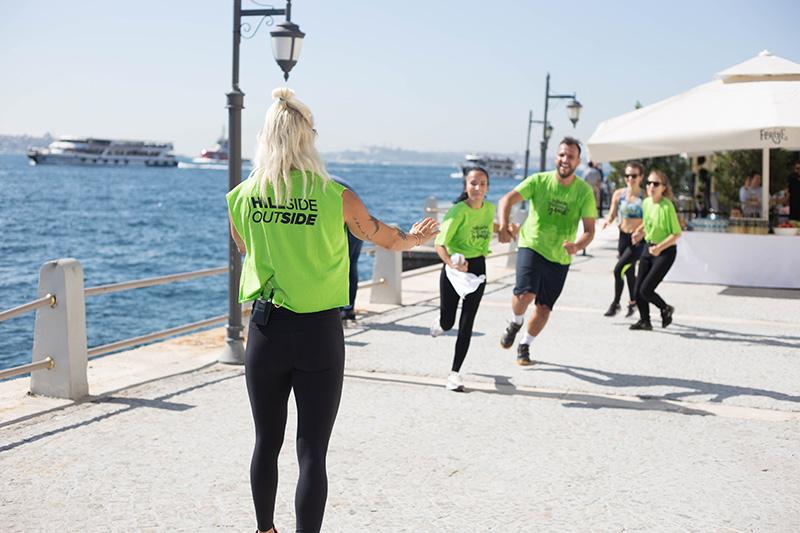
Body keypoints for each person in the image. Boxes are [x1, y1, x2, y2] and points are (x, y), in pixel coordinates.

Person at [226, 87, 439, 533]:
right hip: (319, 335)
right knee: (312, 453)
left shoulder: (242, 196)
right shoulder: (335, 194)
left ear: (266, 138)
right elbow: (386, 238)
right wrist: (417, 239)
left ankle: (265, 530)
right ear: (307, 137)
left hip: (265, 331)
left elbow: (244, 247)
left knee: (266, 443)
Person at [497, 137, 597, 364]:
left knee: (543, 309)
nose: (565, 160)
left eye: (571, 156)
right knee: (524, 295)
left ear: (578, 161)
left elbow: (590, 230)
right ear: (556, 157)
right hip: (532, 245)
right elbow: (506, 200)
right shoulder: (539, 181)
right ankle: (515, 322)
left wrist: (578, 246)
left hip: (560, 257)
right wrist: (503, 225)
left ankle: (524, 345)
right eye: (562, 154)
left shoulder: (584, 191)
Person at [430, 166, 514, 391]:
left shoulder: (489, 208)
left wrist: (505, 229)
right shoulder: (457, 211)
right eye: (473, 183)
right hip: (455, 267)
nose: (478, 188)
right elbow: (439, 244)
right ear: (466, 186)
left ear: (488, 187)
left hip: (478, 267)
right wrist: (452, 264)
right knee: (449, 323)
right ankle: (441, 323)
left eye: (483, 184)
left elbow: (489, 226)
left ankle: (454, 373)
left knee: (467, 323)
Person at [629, 170, 682, 330]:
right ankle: (645, 321)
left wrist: (659, 248)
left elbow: (676, 233)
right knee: (638, 290)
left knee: (646, 289)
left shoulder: (667, 207)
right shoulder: (646, 203)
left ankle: (665, 308)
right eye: (649, 183)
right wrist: (639, 232)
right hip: (649, 247)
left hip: (665, 251)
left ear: (663, 187)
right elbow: (648, 223)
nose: (651, 186)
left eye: (656, 184)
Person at [600, 161, 646, 318]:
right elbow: (613, 214)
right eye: (627, 175)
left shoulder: (645, 195)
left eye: (634, 175)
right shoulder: (619, 194)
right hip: (624, 237)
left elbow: (650, 218)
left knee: (619, 268)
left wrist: (640, 231)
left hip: (638, 240)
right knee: (628, 271)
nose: (630, 179)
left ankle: (616, 303)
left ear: (641, 176)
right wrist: (607, 221)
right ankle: (633, 303)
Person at [330, 176, 362, 321]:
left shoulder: (320, 183)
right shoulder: (335, 181)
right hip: (358, 224)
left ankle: (339, 309)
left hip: (346, 225)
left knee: (337, 267)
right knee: (351, 265)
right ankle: (348, 309)